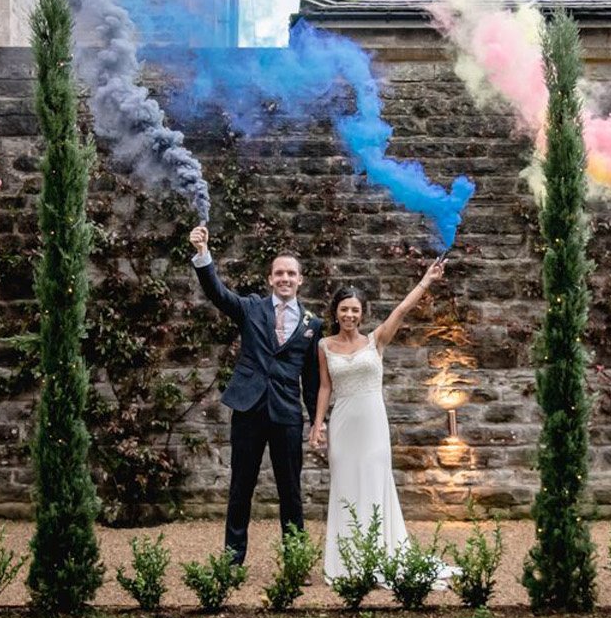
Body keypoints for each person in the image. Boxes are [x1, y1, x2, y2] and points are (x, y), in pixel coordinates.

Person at [189, 225, 323, 565]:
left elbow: (311, 378)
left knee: (290, 491)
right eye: (279, 273)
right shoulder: (250, 308)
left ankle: (294, 560)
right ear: (270, 279)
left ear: (300, 280)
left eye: (291, 273)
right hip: (248, 408)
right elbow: (218, 293)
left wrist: (317, 422)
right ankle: (233, 560)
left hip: (287, 414)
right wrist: (204, 254)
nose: (285, 278)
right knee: (241, 487)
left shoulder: (313, 324)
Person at [310, 259, 446, 581]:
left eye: (355, 310)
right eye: (344, 309)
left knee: (374, 480)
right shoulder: (324, 346)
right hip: (343, 424)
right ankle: (347, 562)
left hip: (373, 424)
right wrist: (318, 424)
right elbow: (325, 387)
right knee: (345, 485)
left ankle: (379, 556)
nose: (349, 316)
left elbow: (400, 311)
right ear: (336, 312)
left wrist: (426, 280)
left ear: (362, 313)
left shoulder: (377, 341)